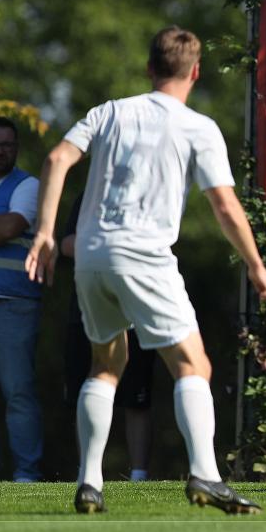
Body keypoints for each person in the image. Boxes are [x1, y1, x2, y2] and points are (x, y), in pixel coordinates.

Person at [26, 26, 266, 514]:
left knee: (105, 365)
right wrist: (256, 264)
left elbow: (57, 158)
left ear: (149, 68)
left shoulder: (110, 112)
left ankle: (90, 482)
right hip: (144, 256)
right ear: (195, 72)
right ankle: (205, 475)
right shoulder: (197, 127)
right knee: (193, 365)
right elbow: (225, 205)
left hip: (93, 256)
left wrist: (46, 232)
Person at [62, 193, 155, 482]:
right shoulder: (89, 195)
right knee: (90, 383)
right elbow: (65, 244)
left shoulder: (149, 193)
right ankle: (88, 472)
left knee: (137, 397)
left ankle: (138, 474)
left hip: (136, 306)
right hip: (89, 307)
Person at [0, 116, 44, 482]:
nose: (1, 150)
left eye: (8, 145)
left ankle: (27, 473)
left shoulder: (28, 186)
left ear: (17, 148)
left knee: (17, 392)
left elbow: (9, 228)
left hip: (13, 301)